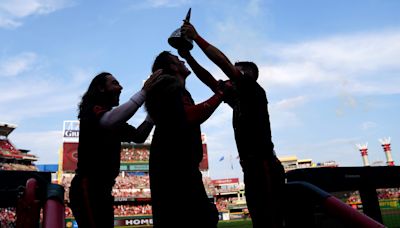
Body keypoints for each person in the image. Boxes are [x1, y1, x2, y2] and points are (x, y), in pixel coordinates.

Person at [181, 22, 286, 228]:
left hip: (263, 165)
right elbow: (209, 80)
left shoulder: (253, 90)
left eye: (235, 73)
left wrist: (196, 37)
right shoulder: (239, 99)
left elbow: (222, 62)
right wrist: (188, 57)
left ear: (247, 75)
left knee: (270, 220)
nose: (228, 78)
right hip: (252, 167)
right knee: (261, 220)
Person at [145, 51, 230, 228]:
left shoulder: (170, 89)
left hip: (174, 168)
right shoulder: (169, 87)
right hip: (176, 170)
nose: (182, 61)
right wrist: (220, 94)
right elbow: (189, 116)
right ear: (173, 67)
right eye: (178, 59)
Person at [69, 70, 161, 228]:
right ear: (101, 88)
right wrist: (144, 92)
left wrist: (152, 113)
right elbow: (108, 121)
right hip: (89, 187)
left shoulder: (113, 120)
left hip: (102, 189)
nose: (121, 87)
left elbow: (139, 136)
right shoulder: (92, 111)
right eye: (114, 83)